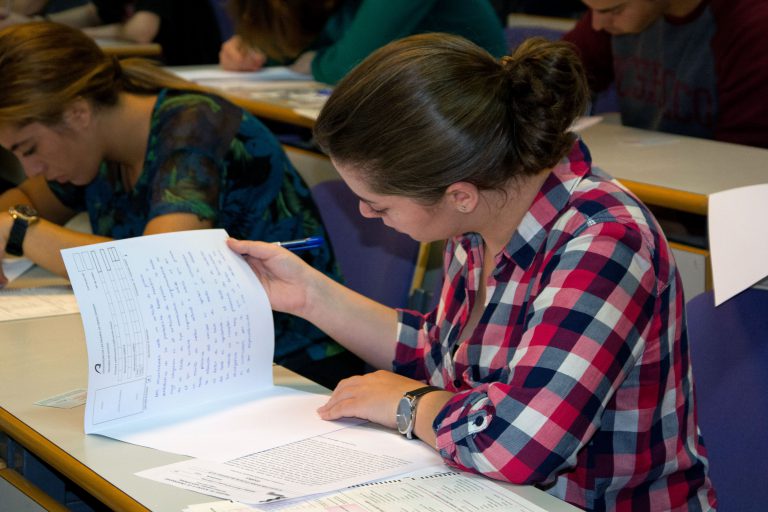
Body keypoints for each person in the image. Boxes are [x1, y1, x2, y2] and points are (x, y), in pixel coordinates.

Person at [228, 33, 717, 511]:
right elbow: (441, 355)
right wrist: (310, 295)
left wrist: (409, 403)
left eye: (379, 205)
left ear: (458, 195)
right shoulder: (483, 211)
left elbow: (519, 446)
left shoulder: (604, 241)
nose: (365, 213)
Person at [0, 22, 364, 388]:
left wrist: (21, 231)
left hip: (292, 366)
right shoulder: (97, 149)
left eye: (30, 149)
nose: (31, 169)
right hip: (197, 359)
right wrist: (10, 221)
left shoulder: (195, 126)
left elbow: (159, 269)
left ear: (78, 113)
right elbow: (24, 200)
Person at [562, 0, 768, 148]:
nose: (597, 24)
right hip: (652, 172)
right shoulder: (617, 13)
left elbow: (744, 157)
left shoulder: (751, 26)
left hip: (713, 186)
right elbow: (557, 79)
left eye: (615, 10)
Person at [219, 0, 507, 84]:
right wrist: (257, 50)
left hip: (474, 113)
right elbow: (310, 43)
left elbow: (350, 65)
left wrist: (316, 63)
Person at [0, 0, 222, 66]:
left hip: (187, 71)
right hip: (147, 69)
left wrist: (75, 33)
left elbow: (141, 31)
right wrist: (37, 24)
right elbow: (94, 13)